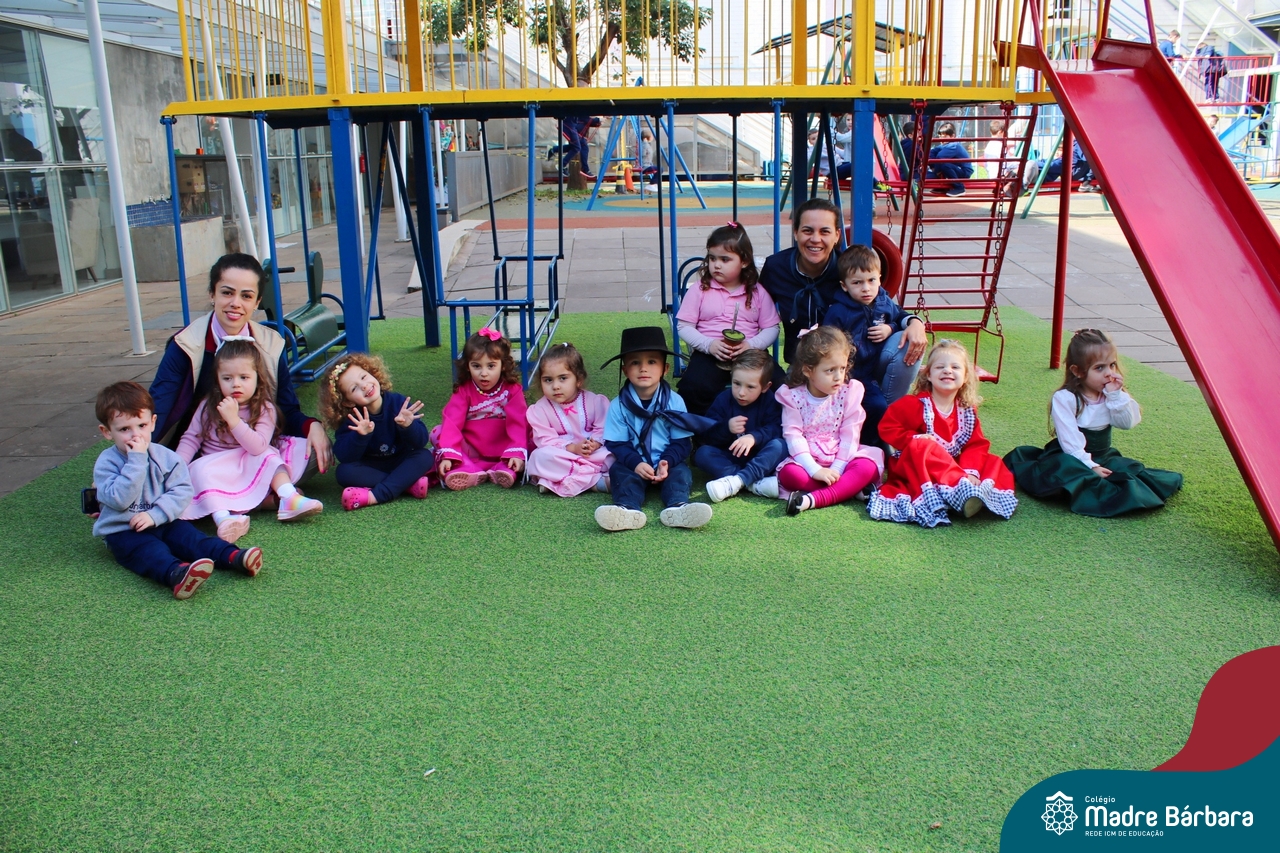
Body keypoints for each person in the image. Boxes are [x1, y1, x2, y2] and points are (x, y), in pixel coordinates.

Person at [148, 253, 332, 476]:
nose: (236, 303)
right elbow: (158, 405)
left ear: (256, 302)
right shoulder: (185, 344)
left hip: (252, 449)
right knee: (171, 468)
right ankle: (256, 489)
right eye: (227, 293)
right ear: (212, 294)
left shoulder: (270, 344)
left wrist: (312, 425)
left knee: (312, 453)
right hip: (202, 453)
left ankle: (246, 486)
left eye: (246, 296)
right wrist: (137, 455)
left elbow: (286, 408)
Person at [92, 381, 262, 600]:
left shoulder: (166, 457)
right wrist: (136, 460)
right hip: (123, 530)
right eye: (124, 429)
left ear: (153, 423)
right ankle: (177, 574)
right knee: (150, 552)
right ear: (107, 432)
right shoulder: (107, 462)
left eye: (142, 425)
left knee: (193, 539)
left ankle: (234, 557)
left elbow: (181, 491)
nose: (136, 436)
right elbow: (120, 500)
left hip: (163, 520)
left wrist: (156, 515)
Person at [1003, 329, 1183, 517]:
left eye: (1112, 365)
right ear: (1077, 371)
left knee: (1129, 473)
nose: (1109, 373)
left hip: (1104, 456)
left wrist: (1116, 396)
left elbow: (1127, 423)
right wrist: (1090, 466)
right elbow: (1070, 441)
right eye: (1099, 368)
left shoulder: (1111, 395)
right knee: (1070, 470)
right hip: (1071, 456)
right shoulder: (1066, 398)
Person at [175, 338, 322, 542]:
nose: (236, 384)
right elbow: (191, 438)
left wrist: (234, 421)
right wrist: (177, 465)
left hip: (249, 464)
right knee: (199, 470)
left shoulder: (264, 408)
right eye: (227, 378)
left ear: (257, 378)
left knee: (269, 453)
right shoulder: (207, 406)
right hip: (219, 470)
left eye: (244, 377)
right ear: (217, 380)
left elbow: (257, 447)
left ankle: (289, 497)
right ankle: (224, 519)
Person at [867, 340, 1017, 527]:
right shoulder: (914, 404)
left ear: (965, 376)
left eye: (955, 367)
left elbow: (976, 444)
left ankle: (971, 494)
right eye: (940, 367)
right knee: (923, 445)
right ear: (929, 375)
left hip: (950, 465)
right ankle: (961, 492)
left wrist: (970, 471)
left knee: (992, 461)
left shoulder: (966, 410)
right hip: (918, 466)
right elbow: (887, 426)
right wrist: (913, 438)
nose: (947, 371)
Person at [596, 326, 715, 531]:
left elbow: (681, 442)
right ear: (625, 370)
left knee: (681, 473)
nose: (643, 368)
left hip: (667, 463)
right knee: (619, 471)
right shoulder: (618, 405)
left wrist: (666, 462)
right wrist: (635, 463)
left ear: (665, 369)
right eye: (635, 362)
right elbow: (617, 443)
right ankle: (627, 509)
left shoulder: (675, 401)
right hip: (633, 463)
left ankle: (678, 506)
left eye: (652, 362)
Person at [822, 244, 927, 443]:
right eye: (857, 282)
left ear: (879, 278)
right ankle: (841, 442)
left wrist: (890, 328)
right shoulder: (839, 311)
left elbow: (898, 317)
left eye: (871, 280)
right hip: (846, 375)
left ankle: (873, 444)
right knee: (843, 409)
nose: (866, 288)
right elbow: (827, 341)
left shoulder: (883, 303)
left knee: (878, 406)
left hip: (871, 374)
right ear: (844, 286)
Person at [775, 326, 884, 516]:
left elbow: (850, 435)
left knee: (868, 466)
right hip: (809, 458)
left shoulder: (849, 392)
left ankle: (812, 499)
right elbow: (793, 435)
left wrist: (837, 468)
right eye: (830, 370)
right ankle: (849, 490)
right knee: (790, 474)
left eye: (842, 368)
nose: (838, 377)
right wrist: (814, 470)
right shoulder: (792, 397)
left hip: (843, 456)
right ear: (808, 370)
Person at [675, 222, 782, 415]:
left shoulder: (757, 292)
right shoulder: (700, 289)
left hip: (751, 353)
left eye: (725, 259)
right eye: (712, 258)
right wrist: (709, 345)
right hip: (710, 352)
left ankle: (770, 426)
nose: (716, 265)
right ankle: (707, 428)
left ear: (744, 261)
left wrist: (752, 345)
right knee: (693, 387)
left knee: (781, 386)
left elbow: (772, 327)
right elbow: (684, 326)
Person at [320, 354, 433, 512]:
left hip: (401, 460)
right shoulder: (352, 419)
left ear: (372, 373)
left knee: (425, 456)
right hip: (372, 468)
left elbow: (421, 441)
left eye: (364, 377)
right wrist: (361, 436)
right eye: (354, 388)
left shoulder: (398, 403)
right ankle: (406, 484)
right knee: (343, 472)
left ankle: (376, 496)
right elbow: (344, 456)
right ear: (348, 401)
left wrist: (408, 426)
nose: (364, 386)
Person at [432, 328, 529, 491]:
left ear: (503, 365)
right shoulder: (464, 391)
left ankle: (505, 467)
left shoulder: (512, 390)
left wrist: (515, 453)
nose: (484, 373)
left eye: (491, 366)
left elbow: (519, 423)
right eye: (476, 366)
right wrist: (449, 456)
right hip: (473, 450)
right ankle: (466, 467)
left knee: (532, 434)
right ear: (467, 366)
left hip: (504, 448)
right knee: (438, 432)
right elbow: (451, 422)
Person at [759, 198, 844, 364]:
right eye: (807, 231)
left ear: (837, 235)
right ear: (796, 232)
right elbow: (753, 312)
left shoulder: (847, 271)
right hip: (797, 364)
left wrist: (901, 324)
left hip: (840, 365)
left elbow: (880, 307)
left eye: (825, 232)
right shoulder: (776, 267)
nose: (815, 239)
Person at [695, 349, 786, 502]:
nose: (741, 392)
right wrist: (726, 428)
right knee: (702, 453)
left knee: (780, 446)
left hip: (760, 458)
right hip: (731, 458)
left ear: (765, 387)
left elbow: (777, 428)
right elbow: (708, 435)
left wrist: (754, 437)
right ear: (731, 377)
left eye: (750, 387)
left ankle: (736, 481)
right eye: (737, 384)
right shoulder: (723, 399)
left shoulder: (770, 401)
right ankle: (751, 483)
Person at [526, 342, 613, 497]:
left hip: (593, 454)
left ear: (578, 379)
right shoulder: (539, 409)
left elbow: (603, 427)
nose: (555, 386)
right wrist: (573, 448)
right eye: (548, 380)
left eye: (563, 378)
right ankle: (595, 482)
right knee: (538, 457)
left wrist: (594, 443)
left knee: (613, 454)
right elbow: (545, 440)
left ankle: (555, 481)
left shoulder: (595, 401)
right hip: (564, 455)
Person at [927, 121, 973, 197]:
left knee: (944, 164)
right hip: (955, 169)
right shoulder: (944, 145)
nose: (942, 139)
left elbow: (940, 157)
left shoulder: (954, 145)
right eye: (940, 136)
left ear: (952, 136)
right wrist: (933, 166)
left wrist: (936, 171)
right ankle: (943, 187)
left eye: (945, 136)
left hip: (964, 171)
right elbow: (931, 152)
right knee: (942, 164)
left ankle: (959, 188)